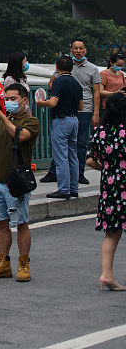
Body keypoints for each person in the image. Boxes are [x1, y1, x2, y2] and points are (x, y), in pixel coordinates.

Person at [0, 82, 39, 283]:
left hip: (17, 183)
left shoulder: (31, 121)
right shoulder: (1, 122)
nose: (9, 102)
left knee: (21, 224)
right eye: (7, 99)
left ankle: (24, 264)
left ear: (24, 100)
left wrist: (3, 117)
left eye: (13, 99)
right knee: (1, 225)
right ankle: (3, 263)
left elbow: (19, 135)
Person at [88, 92, 126, 290]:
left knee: (112, 233)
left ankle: (106, 274)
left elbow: (90, 159)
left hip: (109, 189)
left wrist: (110, 168)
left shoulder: (100, 131)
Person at [39, 55, 83, 199]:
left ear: (57, 67)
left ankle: (64, 189)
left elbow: (53, 103)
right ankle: (73, 188)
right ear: (72, 68)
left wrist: (41, 103)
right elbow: (81, 106)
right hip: (74, 120)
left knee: (61, 157)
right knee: (73, 155)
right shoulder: (77, 83)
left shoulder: (58, 82)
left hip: (61, 120)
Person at [69, 38, 99, 181]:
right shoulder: (66, 66)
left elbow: (97, 92)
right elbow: (53, 82)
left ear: (85, 50)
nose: (78, 51)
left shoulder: (93, 69)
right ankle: (60, 171)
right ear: (71, 50)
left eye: (81, 48)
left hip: (85, 109)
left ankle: (80, 172)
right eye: (75, 48)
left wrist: (96, 113)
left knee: (81, 142)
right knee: (66, 141)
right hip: (68, 109)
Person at [95, 53, 125, 127]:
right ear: (111, 62)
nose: (119, 67)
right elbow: (100, 91)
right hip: (108, 107)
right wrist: (114, 93)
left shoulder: (121, 74)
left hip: (121, 107)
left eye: (121, 66)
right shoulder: (103, 74)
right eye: (118, 65)